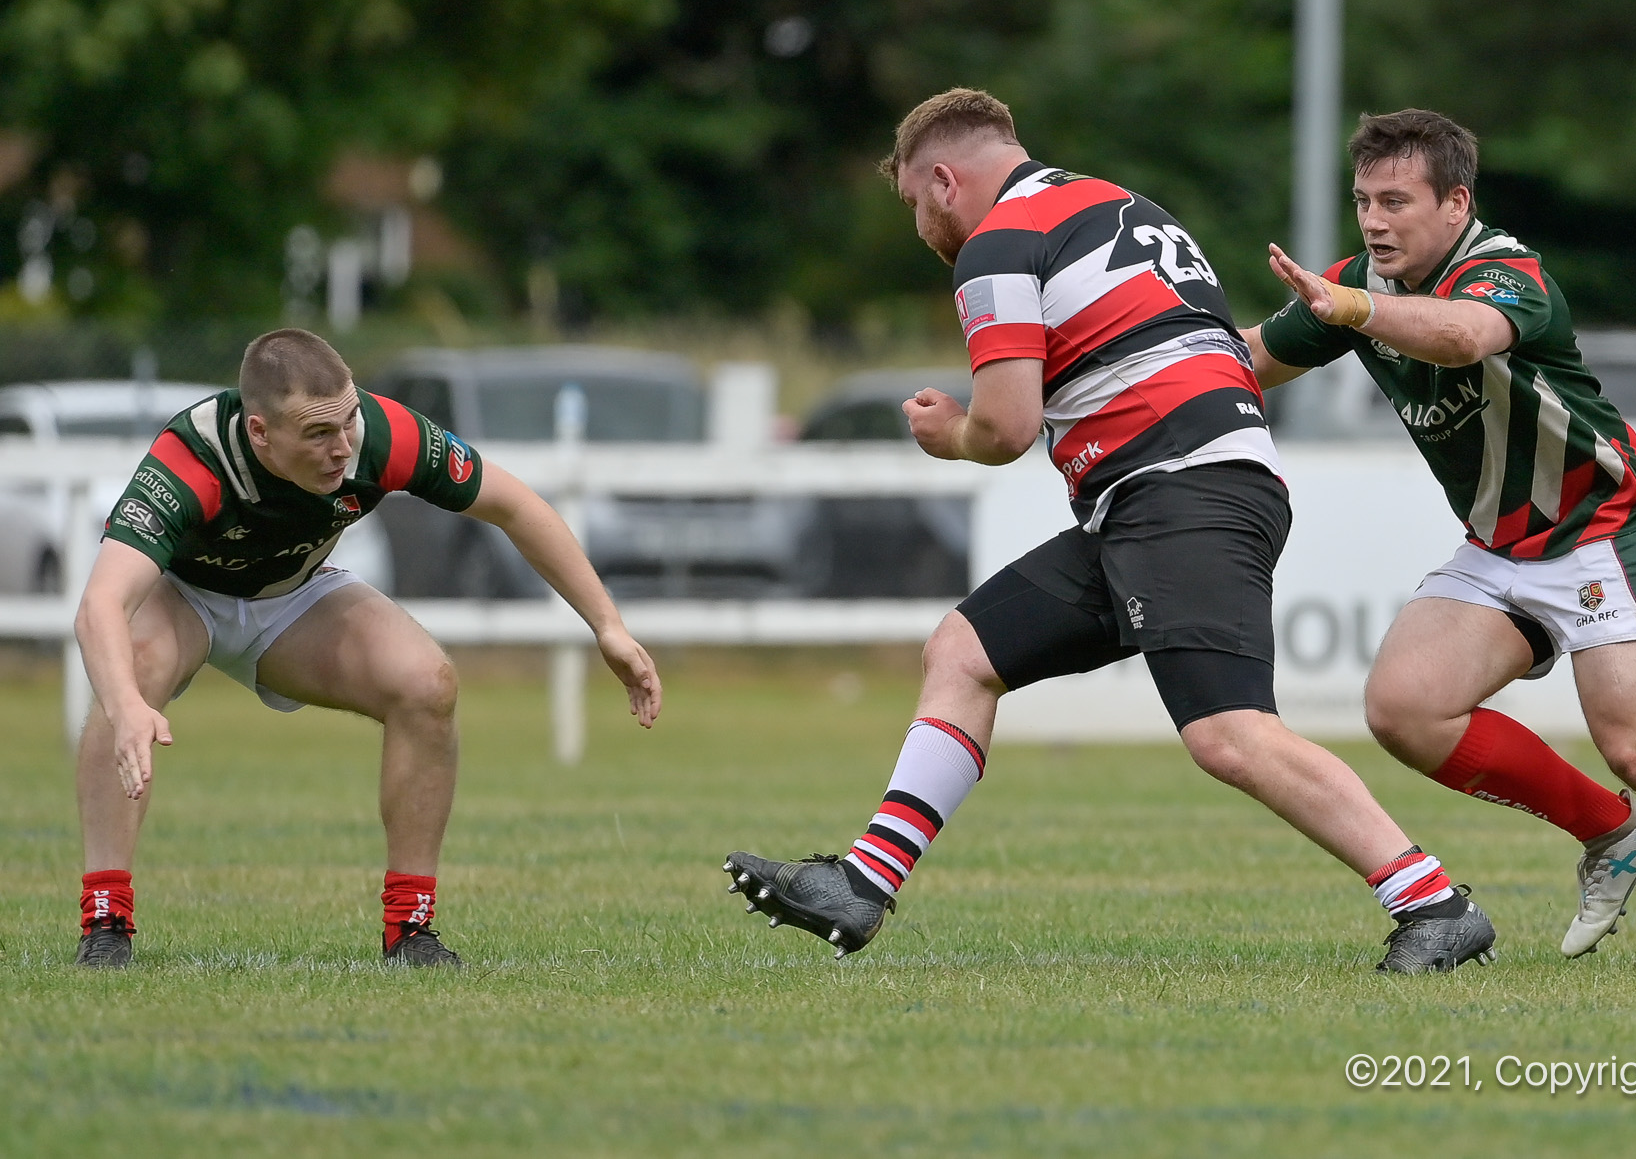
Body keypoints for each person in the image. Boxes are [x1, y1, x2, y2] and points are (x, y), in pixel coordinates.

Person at [723, 88, 1496, 974]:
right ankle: (863, 883)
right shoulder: (1111, 201)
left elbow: (1007, 427)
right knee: (965, 649)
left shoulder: (998, 243)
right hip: (1164, 492)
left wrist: (952, 434)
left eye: (913, 203)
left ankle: (1431, 901)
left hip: (1180, 490)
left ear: (944, 178)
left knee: (1230, 732)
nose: (920, 224)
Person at [1243, 108, 1636, 970]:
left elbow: (1461, 335)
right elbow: (1248, 358)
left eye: (1396, 200)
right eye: (1364, 199)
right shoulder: (1360, 286)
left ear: (1455, 203)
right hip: (1500, 546)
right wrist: (1130, 362)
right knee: (1405, 708)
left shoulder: (1505, 271)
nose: (1373, 219)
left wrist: (1352, 307)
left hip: (1609, 527)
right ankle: (1611, 829)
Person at [73, 328, 662, 968]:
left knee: (426, 682)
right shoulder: (192, 458)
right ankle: (106, 922)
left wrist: (608, 626)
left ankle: (410, 931)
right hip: (184, 596)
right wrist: (127, 705)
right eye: (318, 434)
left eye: (348, 421)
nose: (342, 447)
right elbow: (99, 605)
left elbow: (516, 506)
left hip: (290, 597)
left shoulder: (380, 435)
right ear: (261, 432)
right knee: (126, 672)